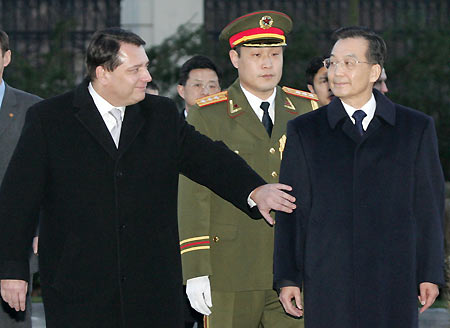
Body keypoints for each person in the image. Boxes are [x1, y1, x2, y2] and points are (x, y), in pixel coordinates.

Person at [0, 27, 297, 328]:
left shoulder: (161, 115)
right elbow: (18, 199)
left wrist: (255, 190)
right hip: (78, 287)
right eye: (136, 69)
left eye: (146, 66)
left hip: (152, 288)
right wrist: (12, 270)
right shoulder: (50, 118)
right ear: (103, 73)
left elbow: (210, 158)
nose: (147, 77)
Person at [273, 26, 444, 328]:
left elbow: (427, 207)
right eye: (332, 62)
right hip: (329, 279)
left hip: (393, 277)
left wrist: (429, 272)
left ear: (375, 71)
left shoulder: (414, 129)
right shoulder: (305, 131)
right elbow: (292, 209)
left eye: (349, 63)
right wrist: (288, 276)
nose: (337, 71)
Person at [178, 11, 318, 328]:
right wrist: (196, 267)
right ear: (235, 58)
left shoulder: (307, 109)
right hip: (229, 269)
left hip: (294, 269)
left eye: (274, 54)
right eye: (256, 55)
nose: (267, 64)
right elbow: (193, 195)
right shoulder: (208, 114)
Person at [0, 29, 41, 328]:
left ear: (6, 57)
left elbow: (48, 177)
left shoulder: (33, 110)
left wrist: (42, 227)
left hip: (14, 244)